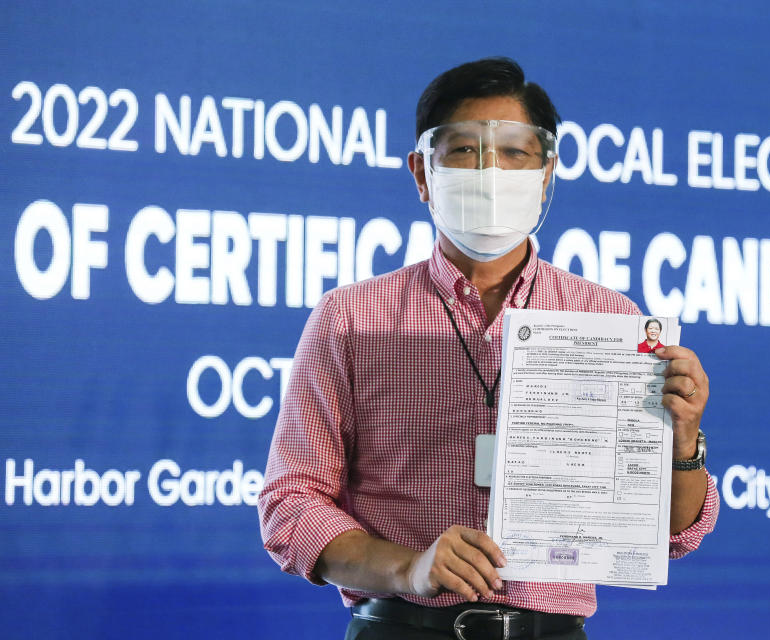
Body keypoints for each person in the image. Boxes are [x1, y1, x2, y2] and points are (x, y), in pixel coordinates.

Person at [258, 57, 718, 640]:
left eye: (514, 154)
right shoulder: (350, 319)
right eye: (463, 151)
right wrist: (411, 566)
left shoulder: (610, 321)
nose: (490, 171)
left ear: (546, 172)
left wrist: (681, 444)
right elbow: (291, 504)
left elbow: (674, 535)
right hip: (400, 627)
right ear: (422, 173)